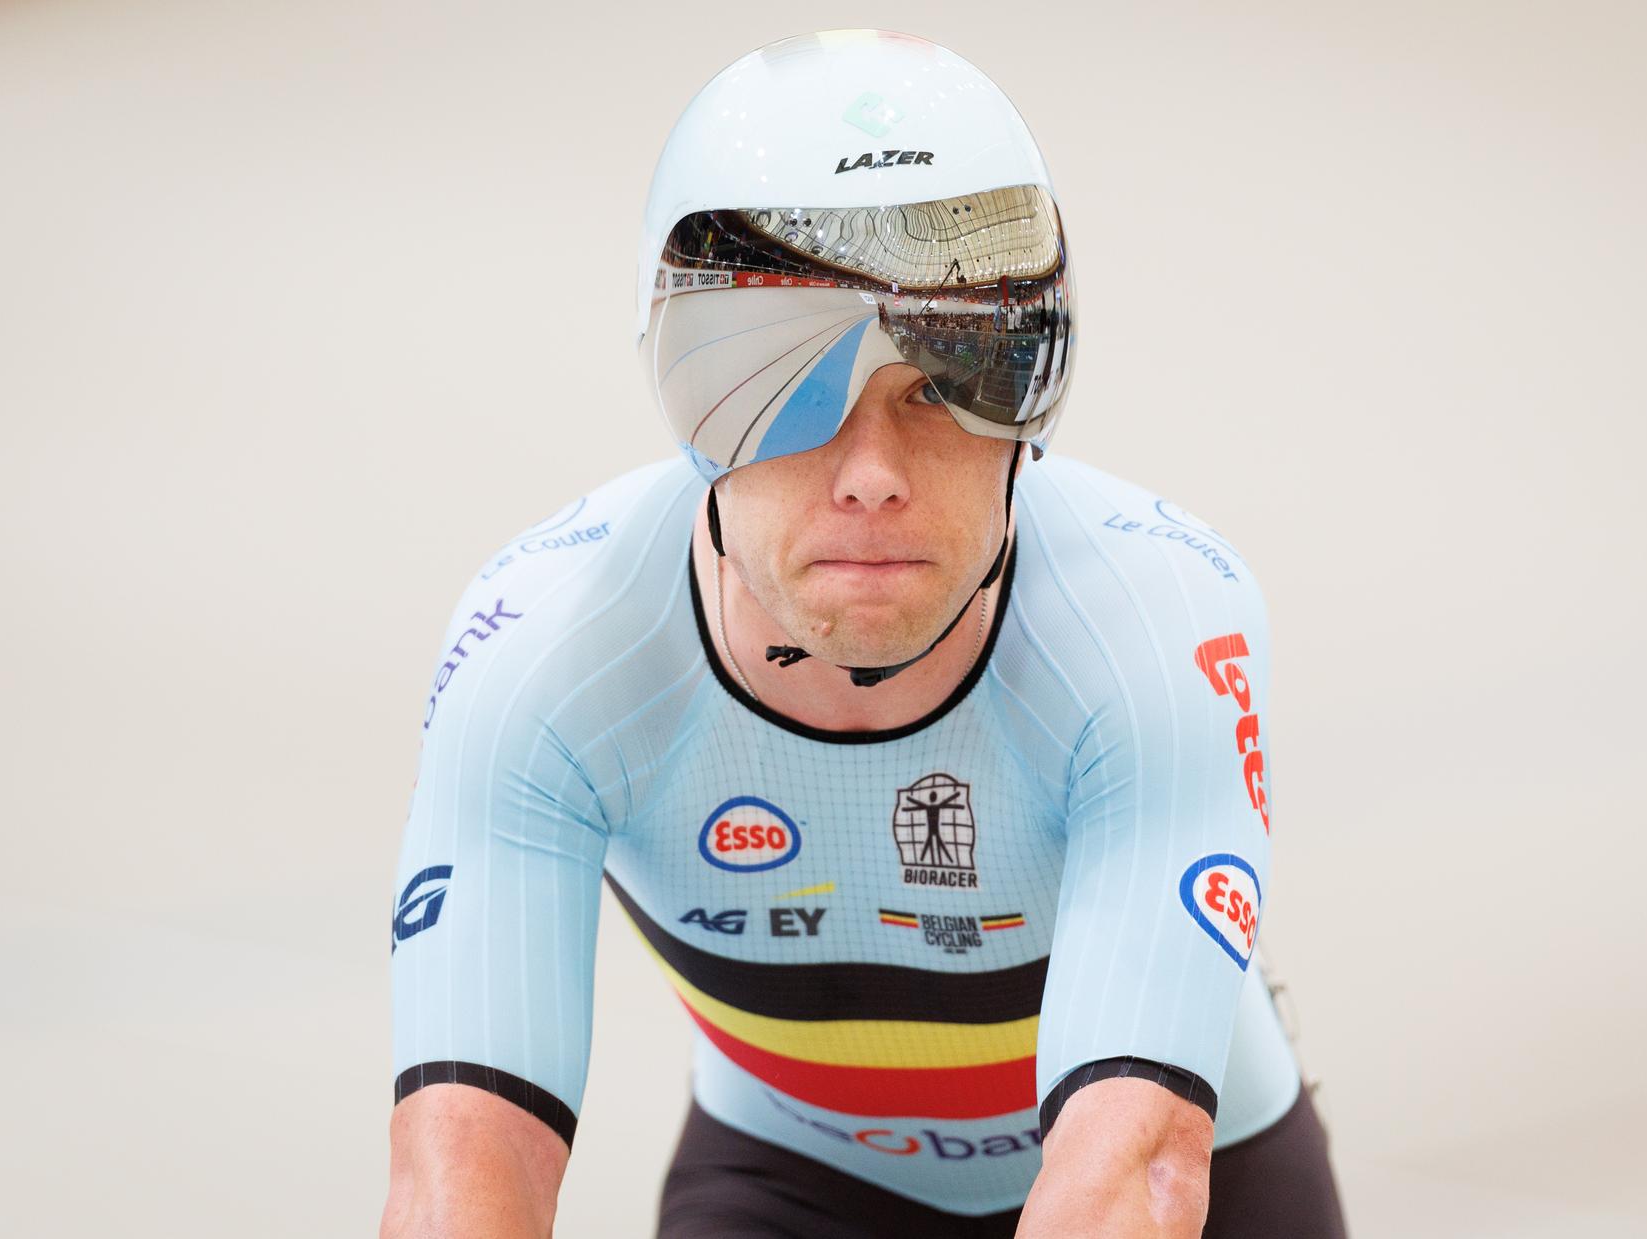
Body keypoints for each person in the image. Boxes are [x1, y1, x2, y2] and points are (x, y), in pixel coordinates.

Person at [381, 28, 1345, 1239]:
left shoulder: (1156, 624)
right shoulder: (542, 657)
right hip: (792, 1186)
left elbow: (1133, 1176)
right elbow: (460, 1182)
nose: (873, 474)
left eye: (950, 382)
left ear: (1032, 401)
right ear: (684, 405)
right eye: (787, 387)